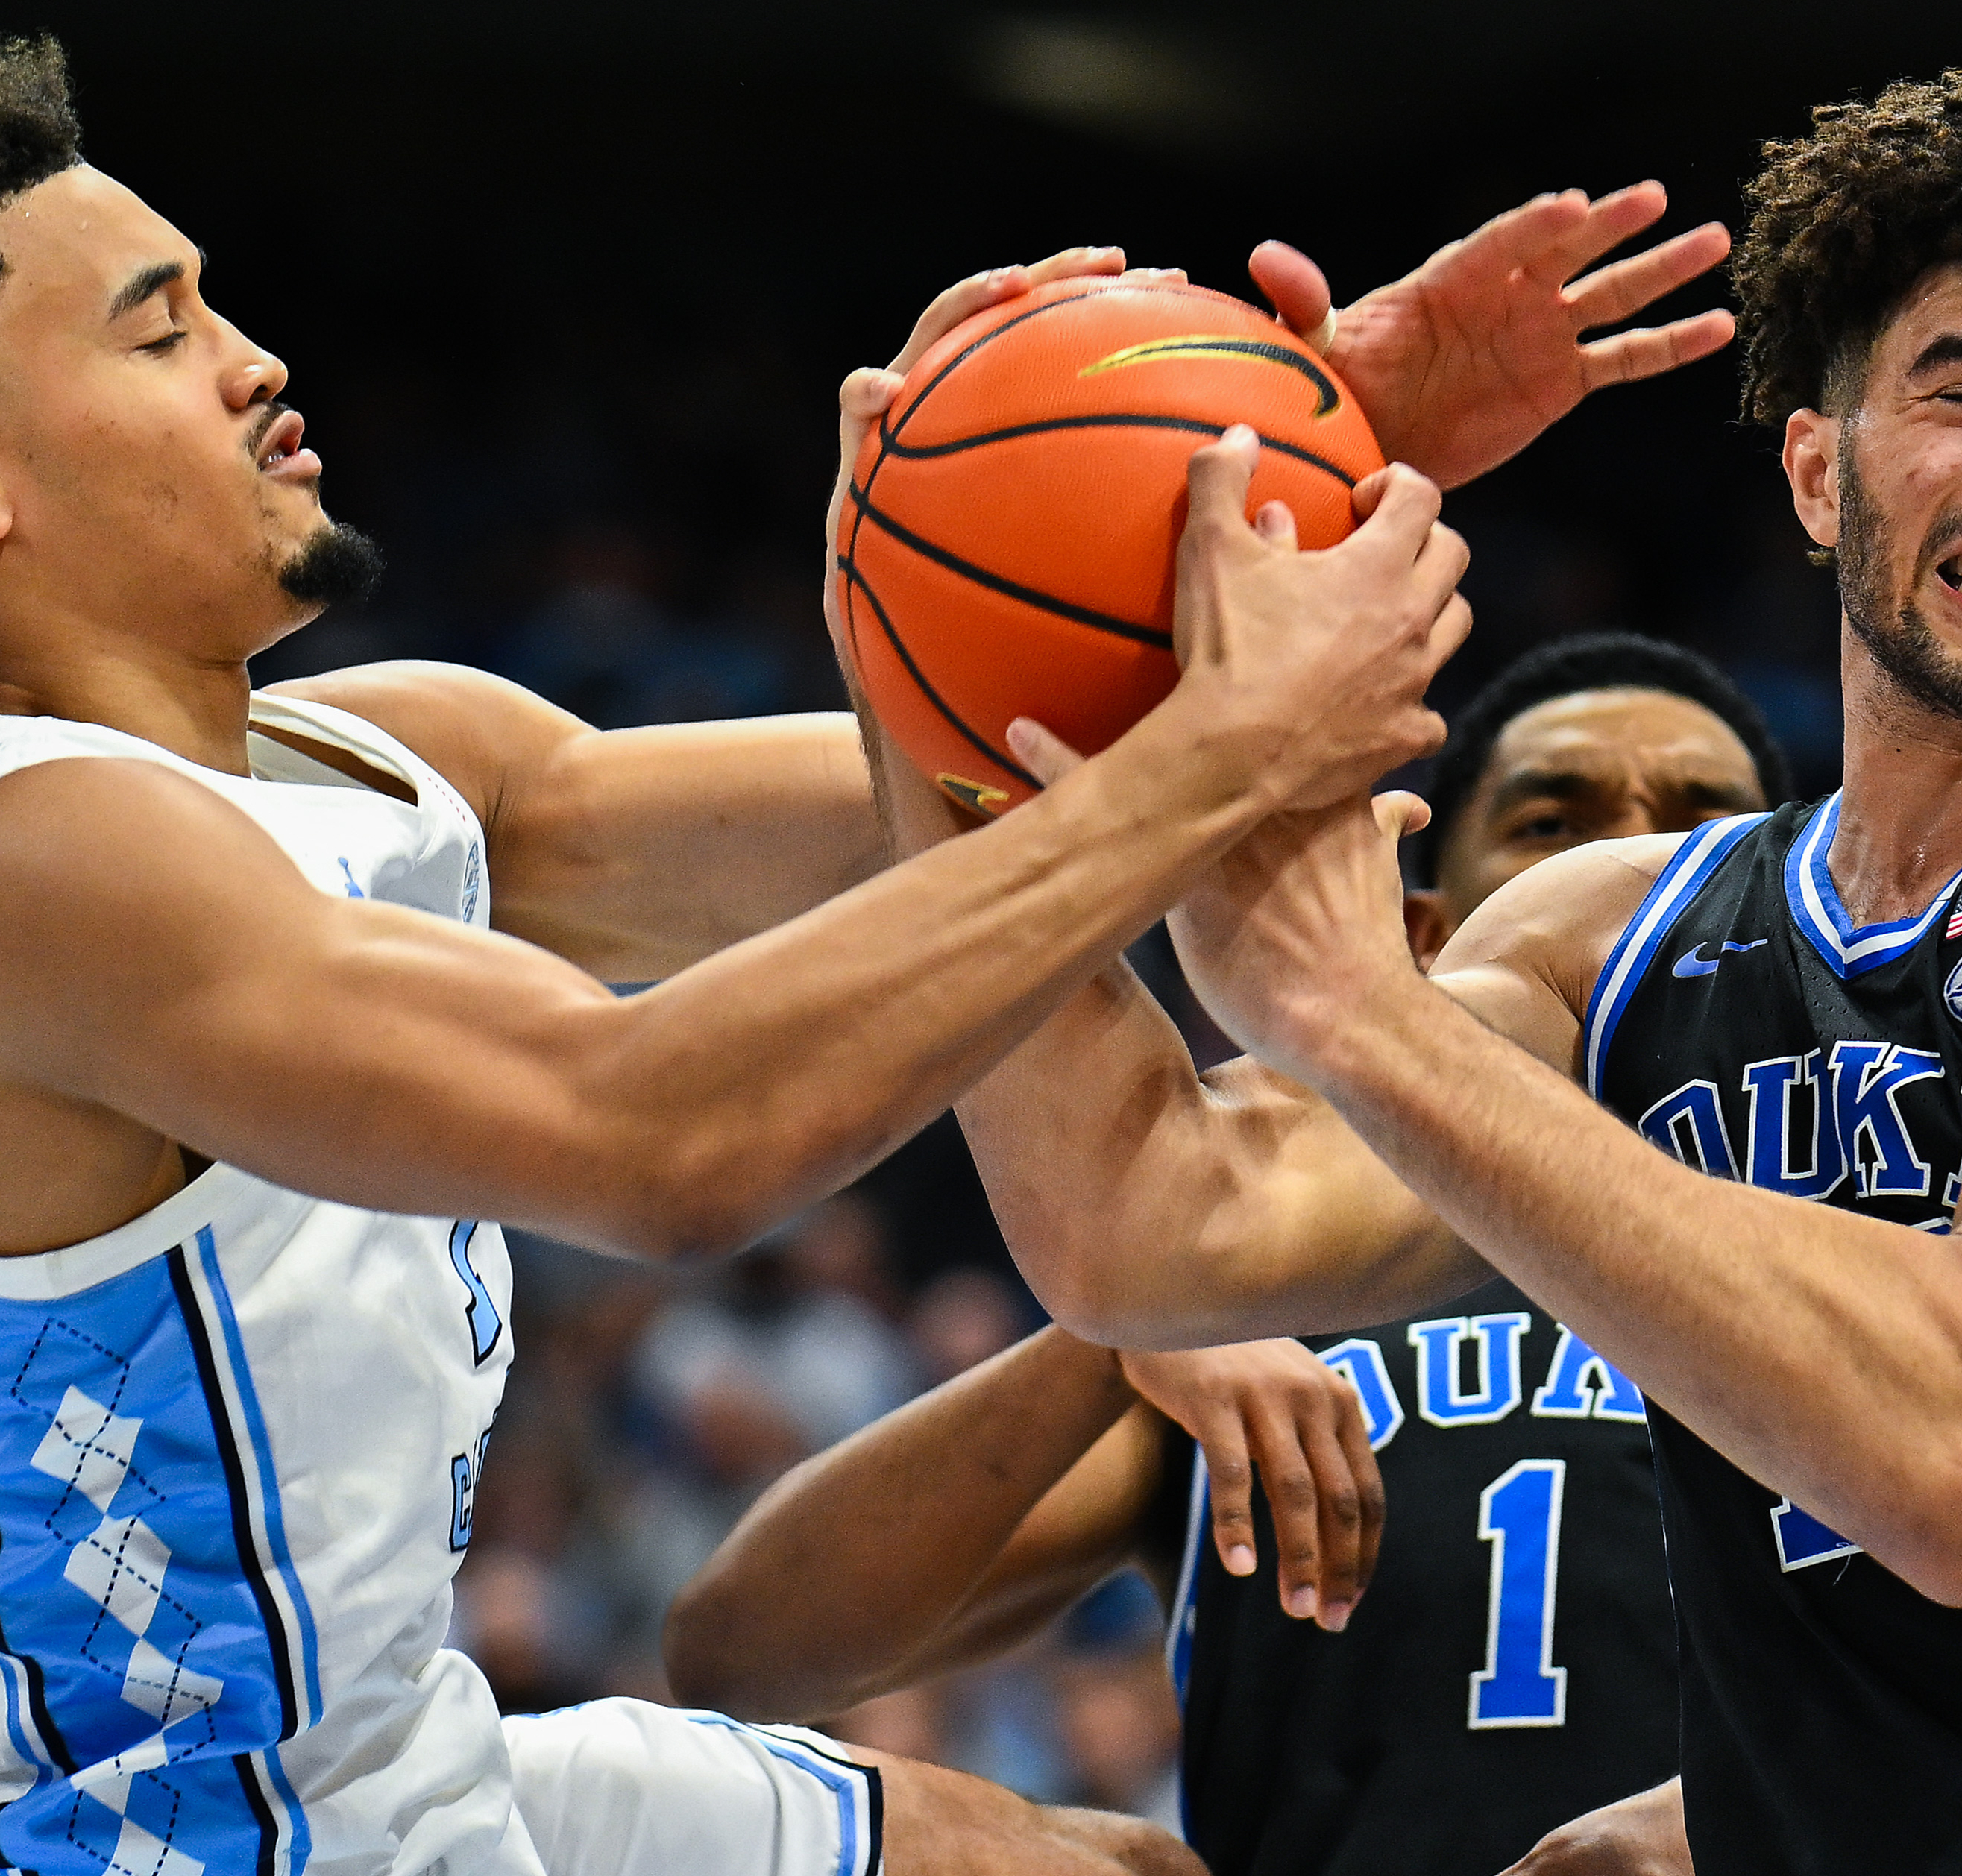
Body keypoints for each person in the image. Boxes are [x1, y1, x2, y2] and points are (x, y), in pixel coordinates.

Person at [0, 28, 1733, 1876]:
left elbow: (951, 790)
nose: (254, 359)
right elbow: (659, 1135)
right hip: (172, 1834)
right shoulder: (33, 865)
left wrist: (1243, 483)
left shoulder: (380, 757)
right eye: (160, 327)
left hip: (352, 1745)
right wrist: (1212, 748)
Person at [930, 24, 1962, 1876]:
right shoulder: (1613, 934)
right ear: (1820, 473)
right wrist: (1044, 589)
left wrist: (1367, 1021)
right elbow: (1142, 1224)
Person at [667, 637, 1788, 1876]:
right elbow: (745, 1650)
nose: (1624, 863)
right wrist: (1115, 1341)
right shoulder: (1251, 1292)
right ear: (1432, 932)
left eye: (1700, 827)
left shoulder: (1873, 1254)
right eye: (1549, 819)